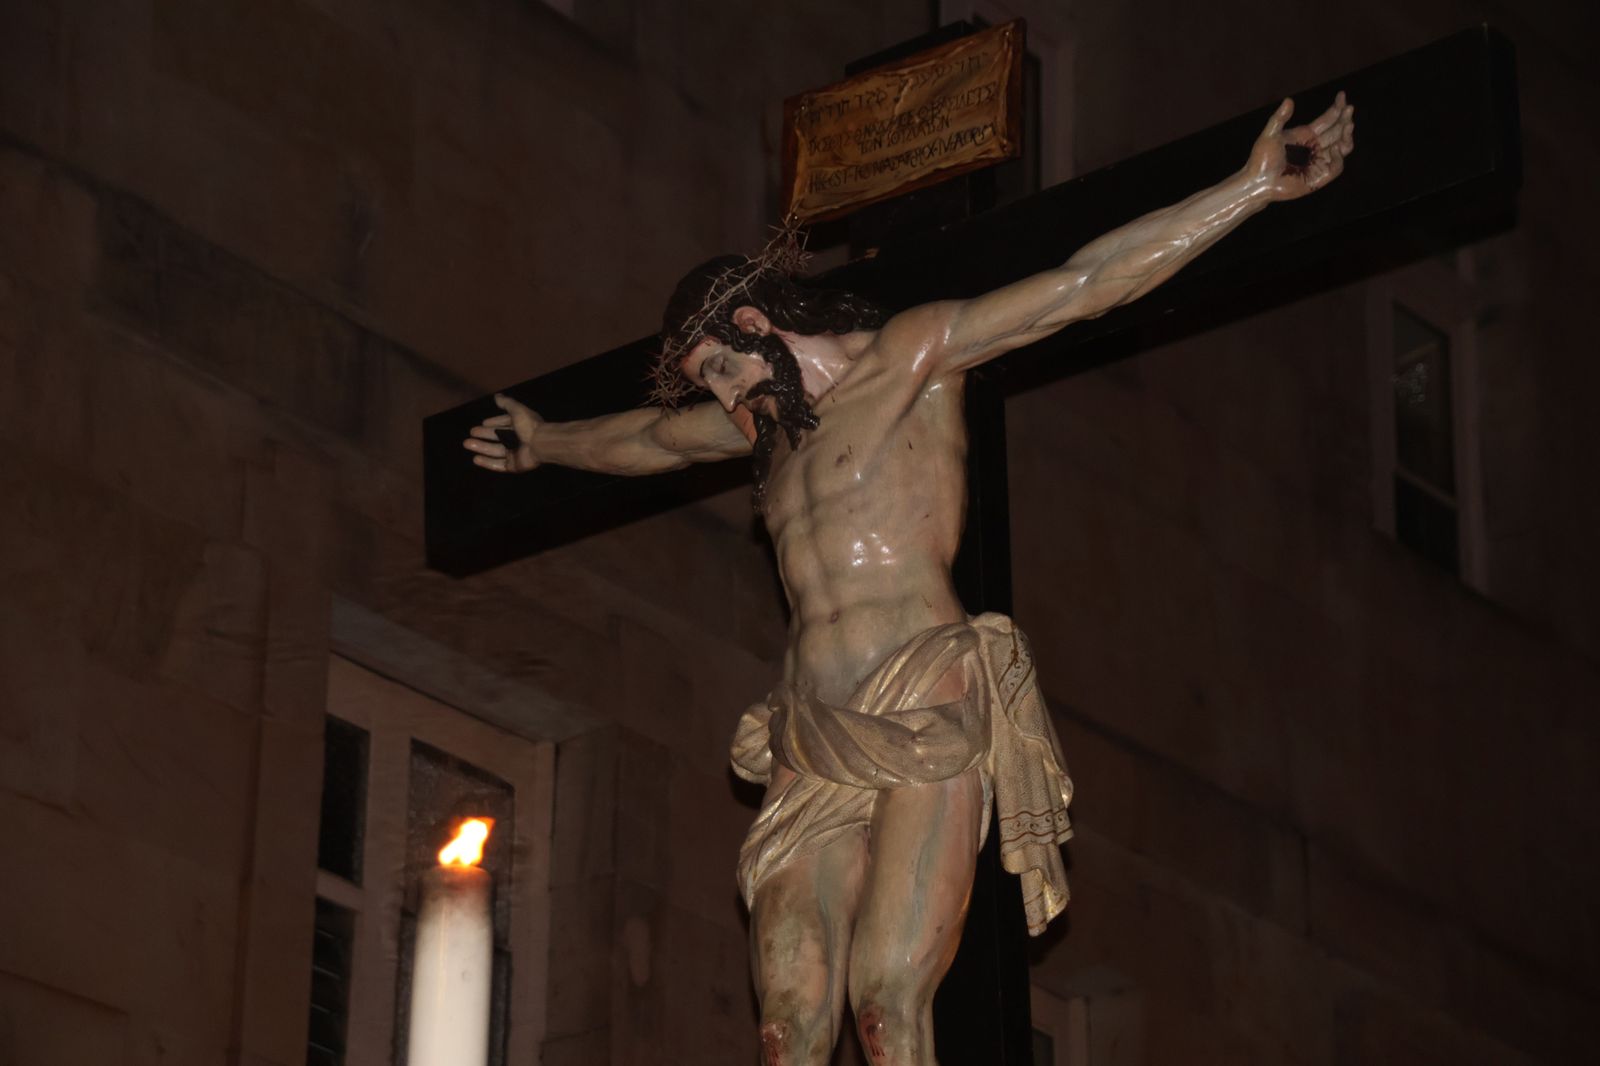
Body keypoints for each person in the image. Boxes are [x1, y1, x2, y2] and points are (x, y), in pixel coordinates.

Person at [464, 94, 1354, 1066]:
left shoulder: (911, 359)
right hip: (811, 723)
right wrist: (544, 442)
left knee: (886, 1004)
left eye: (722, 366)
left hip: (921, 692)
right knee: (786, 1029)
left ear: (758, 320)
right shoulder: (762, 431)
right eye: (711, 381)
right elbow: (646, 441)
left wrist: (1251, 187)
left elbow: (1083, 283)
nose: (723, 396)